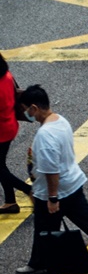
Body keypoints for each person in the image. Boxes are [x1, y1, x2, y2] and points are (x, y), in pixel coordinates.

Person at [13, 84, 88, 274]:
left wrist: (52, 198)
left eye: (25, 110)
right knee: (82, 222)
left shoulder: (45, 135)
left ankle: (39, 262)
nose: (26, 114)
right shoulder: (60, 120)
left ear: (34, 108)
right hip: (71, 183)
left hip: (57, 190)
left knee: (48, 225)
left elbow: (51, 171)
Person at [0, 53, 27, 215]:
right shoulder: (7, 76)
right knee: (1, 165)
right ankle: (10, 201)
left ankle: (28, 190)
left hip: (1, 132)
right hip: (9, 125)